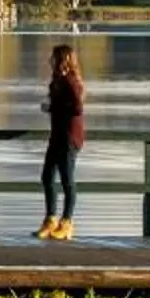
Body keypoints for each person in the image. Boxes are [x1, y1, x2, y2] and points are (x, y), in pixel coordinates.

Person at [37, 44, 87, 240]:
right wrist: (51, 108)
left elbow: (77, 108)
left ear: (63, 60)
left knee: (67, 180)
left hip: (69, 136)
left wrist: (54, 108)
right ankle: (50, 220)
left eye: (54, 57)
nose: (51, 61)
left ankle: (67, 222)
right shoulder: (57, 82)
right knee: (47, 177)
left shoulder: (71, 81)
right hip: (57, 135)